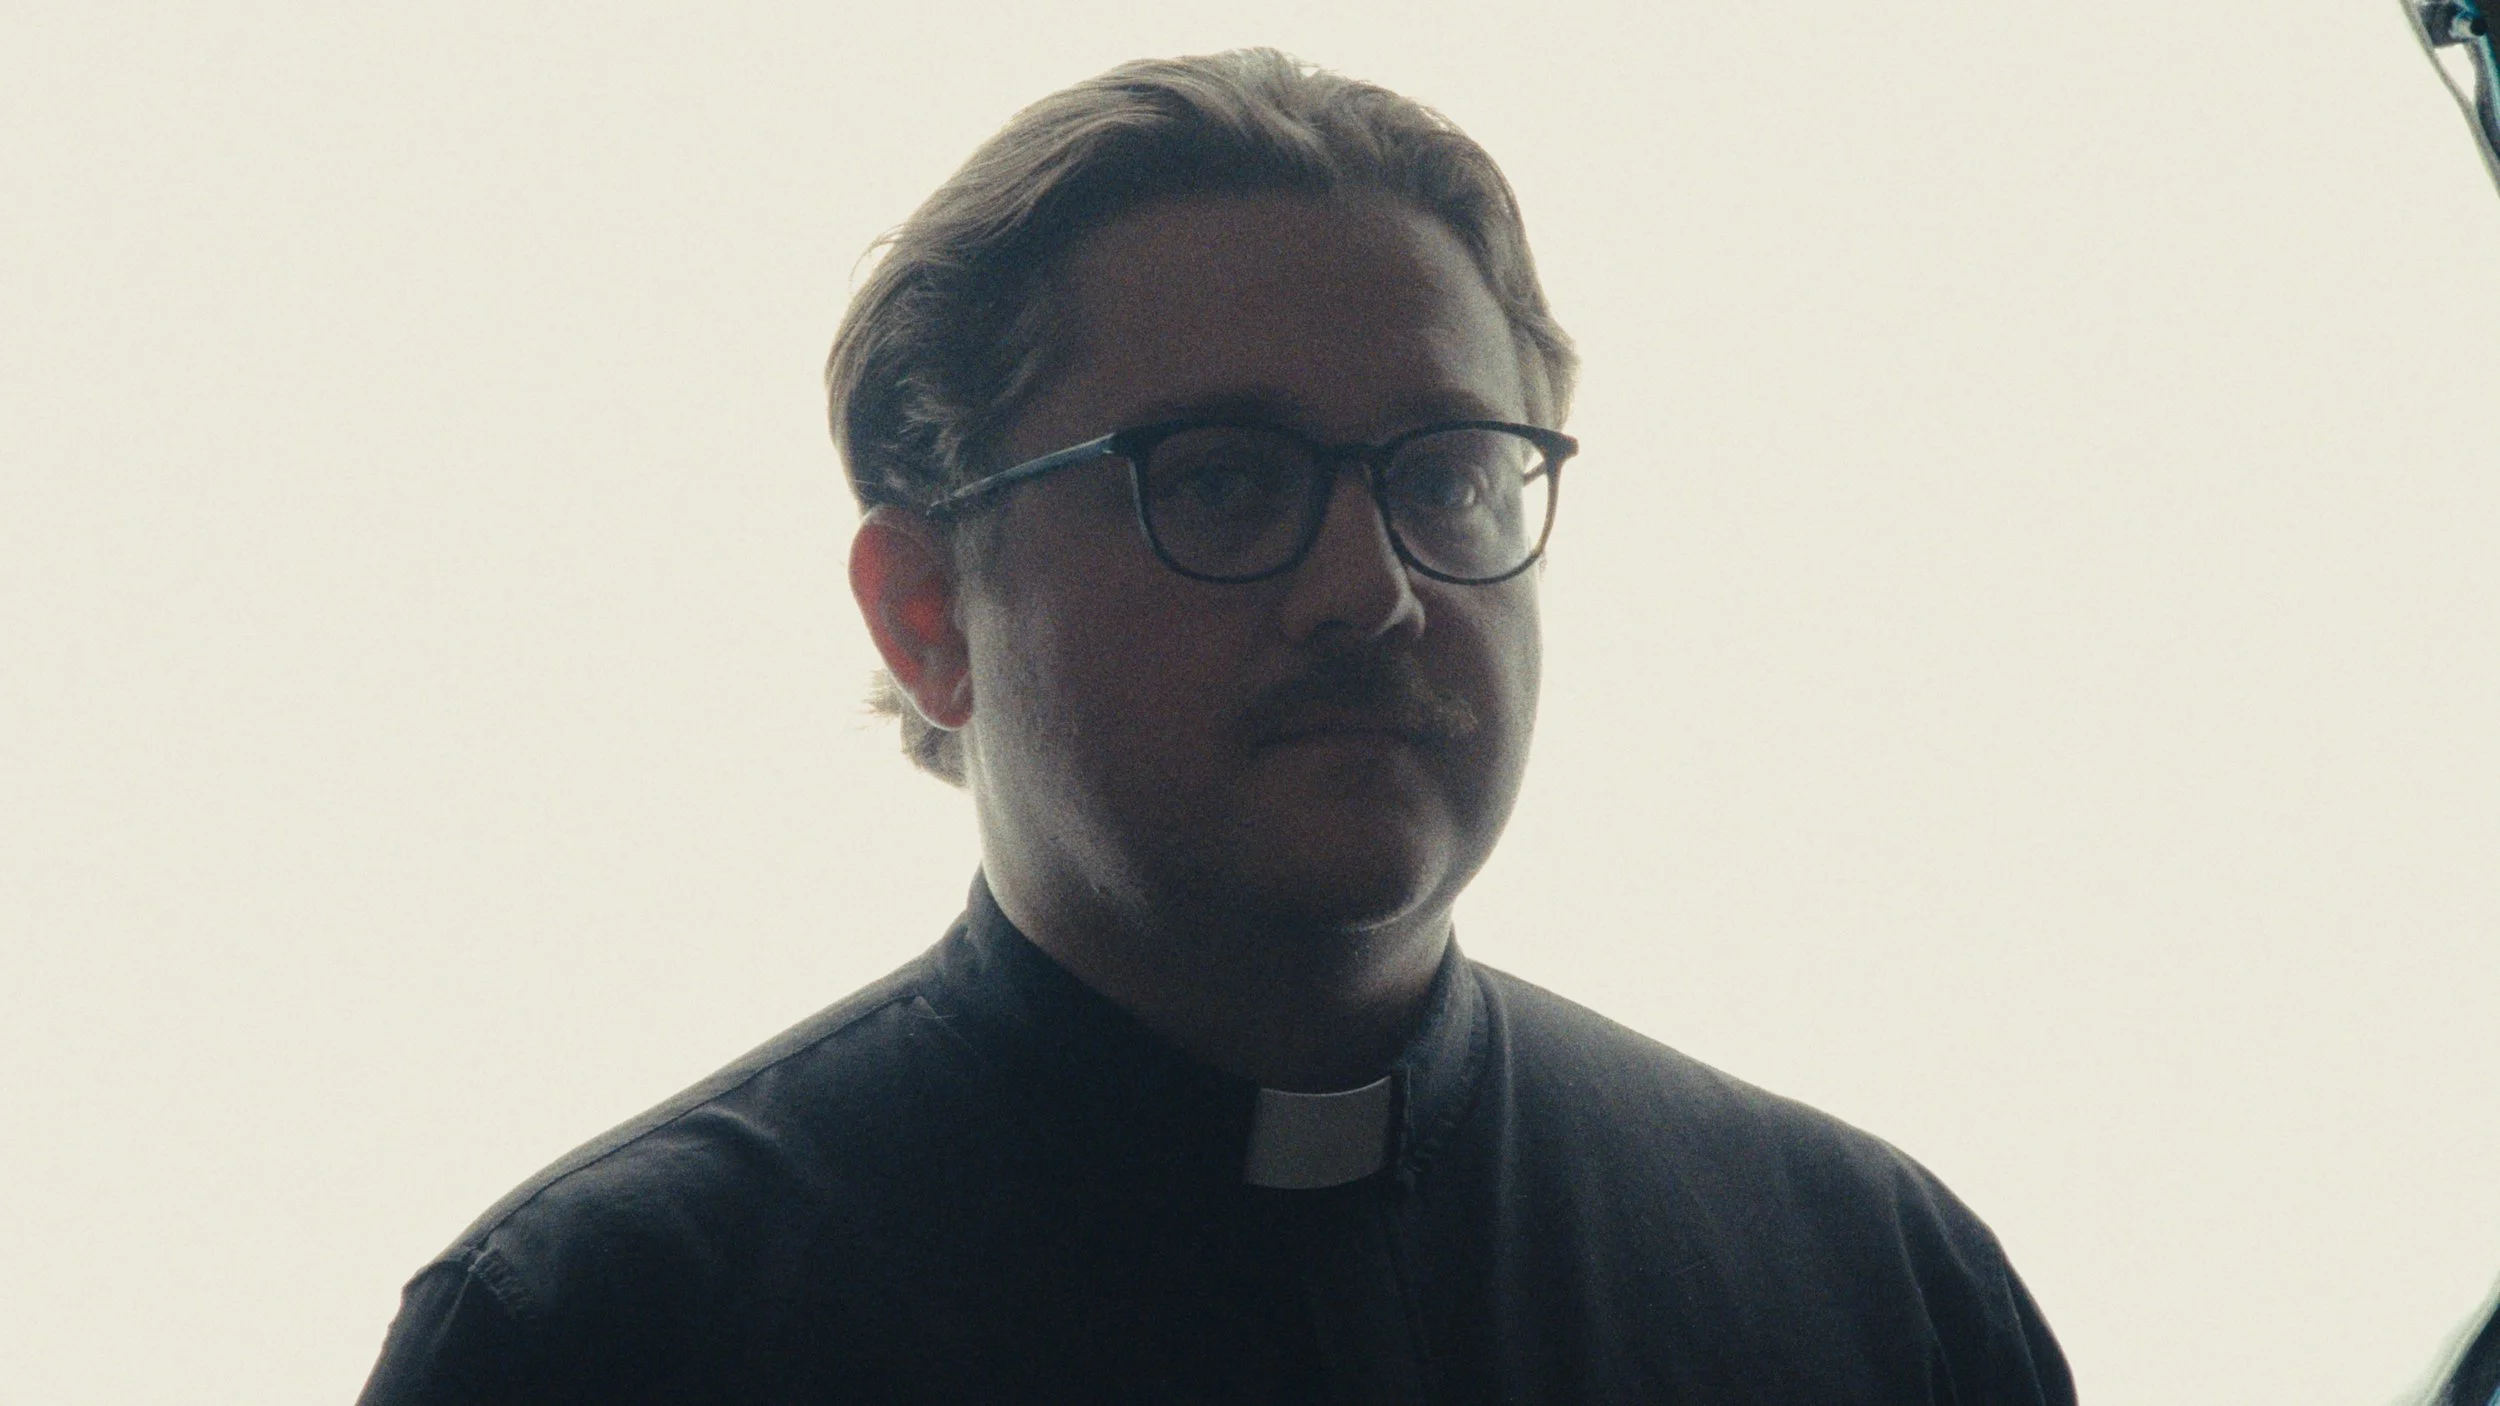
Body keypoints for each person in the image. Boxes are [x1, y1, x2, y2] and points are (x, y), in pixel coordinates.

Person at [356, 49, 2076, 1404]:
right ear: (929, 615)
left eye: (1447, 476)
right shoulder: (607, 1335)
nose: (1372, 591)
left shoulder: (1877, 1287)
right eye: (1226, 481)